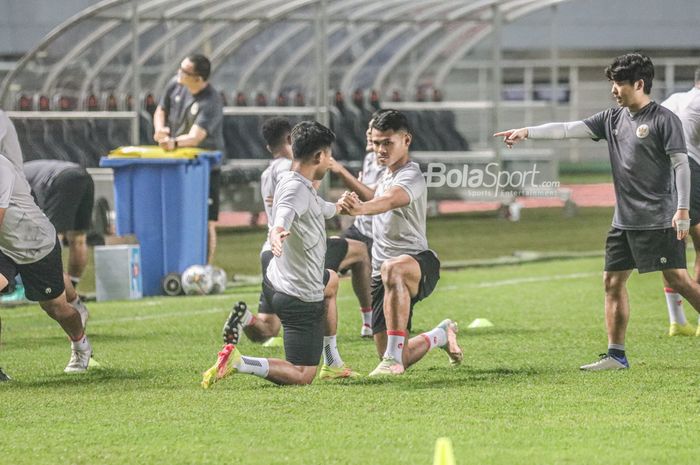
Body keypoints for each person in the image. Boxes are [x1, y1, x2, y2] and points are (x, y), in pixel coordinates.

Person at [494, 53, 700, 371]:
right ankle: (616, 356)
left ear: (639, 84)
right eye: (612, 83)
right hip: (623, 221)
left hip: (657, 219)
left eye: (618, 83)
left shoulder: (662, 119)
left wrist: (683, 209)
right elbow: (566, 129)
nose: (613, 90)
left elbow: (681, 165)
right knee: (611, 282)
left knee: (680, 281)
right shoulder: (611, 119)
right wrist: (527, 131)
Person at [202, 121, 357, 387]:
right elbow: (283, 215)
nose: (329, 161)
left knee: (330, 282)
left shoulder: (296, 181)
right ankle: (239, 362)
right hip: (299, 294)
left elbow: (318, 207)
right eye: (328, 156)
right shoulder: (296, 188)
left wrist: (339, 207)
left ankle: (332, 359)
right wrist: (277, 232)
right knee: (302, 374)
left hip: (280, 280)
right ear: (319, 156)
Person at [221, 117, 372, 344]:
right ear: (292, 140)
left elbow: (306, 202)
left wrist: (337, 207)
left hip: (269, 253)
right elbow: (295, 198)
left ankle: (246, 319)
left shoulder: (267, 173)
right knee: (353, 258)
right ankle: (360, 331)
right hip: (292, 248)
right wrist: (280, 229)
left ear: (268, 147)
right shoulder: (291, 171)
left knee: (268, 330)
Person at [339, 110, 463, 377]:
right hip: (381, 276)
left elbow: (391, 200)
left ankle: (392, 359)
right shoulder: (386, 175)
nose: (380, 150)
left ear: (406, 140)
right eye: (376, 143)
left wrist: (359, 209)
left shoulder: (411, 175)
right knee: (400, 355)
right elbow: (378, 197)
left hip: (418, 263)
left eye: (387, 143)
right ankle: (439, 335)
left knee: (392, 268)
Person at [0, 110, 95, 377]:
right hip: (3, 246)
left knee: (56, 307)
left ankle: (80, 345)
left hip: (34, 243)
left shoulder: (1, 168)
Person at [152, 54, 225, 265]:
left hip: (205, 168)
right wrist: (160, 130)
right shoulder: (175, 85)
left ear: (199, 79)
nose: (179, 74)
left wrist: (172, 142)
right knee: (175, 215)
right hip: (177, 164)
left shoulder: (211, 100)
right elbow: (161, 110)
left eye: (185, 71)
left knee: (206, 220)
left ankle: (204, 268)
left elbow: (195, 137)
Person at [329, 111, 388, 337]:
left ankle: (375, 320)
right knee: (334, 252)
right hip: (361, 225)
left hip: (380, 233)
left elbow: (373, 197)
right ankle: (368, 320)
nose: (367, 134)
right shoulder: (370, 157)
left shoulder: (389, 163)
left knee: (386, 279)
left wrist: (341, 171)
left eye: (372, 131)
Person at [657, 68, 700, 336]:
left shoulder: (672, 100)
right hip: (690, 170)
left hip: (659, 175)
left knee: (673, 247)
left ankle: (677, 321)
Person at [24, 160, 94, 290]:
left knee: (52, 237)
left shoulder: (12, 178)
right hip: (83, 175)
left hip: (60, 179)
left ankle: (57, 290)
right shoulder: (21, 171)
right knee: (78, 239)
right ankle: (71, 287)